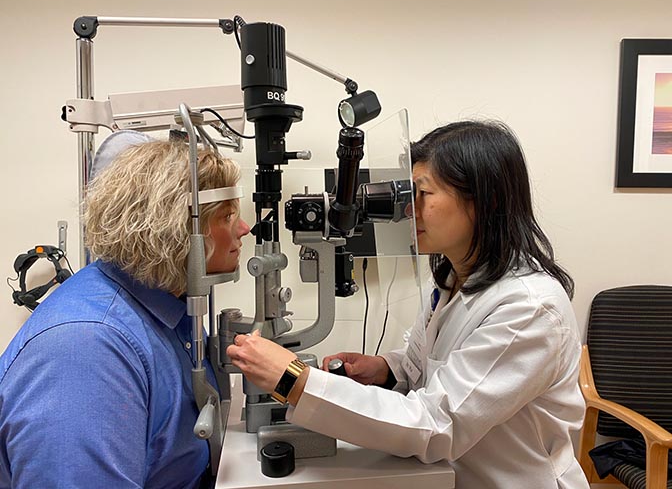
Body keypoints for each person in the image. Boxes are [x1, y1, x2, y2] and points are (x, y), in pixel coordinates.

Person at [227, 120, 590, 488]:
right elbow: (431, 363)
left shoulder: (529, 309)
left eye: (423, 194)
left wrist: (295, 381)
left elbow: (437, 424)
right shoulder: (452, 278)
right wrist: (388, 369)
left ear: (485, 199)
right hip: (446, 476)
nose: (407, 211)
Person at [0, 136, 250, 488]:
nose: (244, 228)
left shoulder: (169, 307)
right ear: (177, 231)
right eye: (227, 216)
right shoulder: (87, 350)